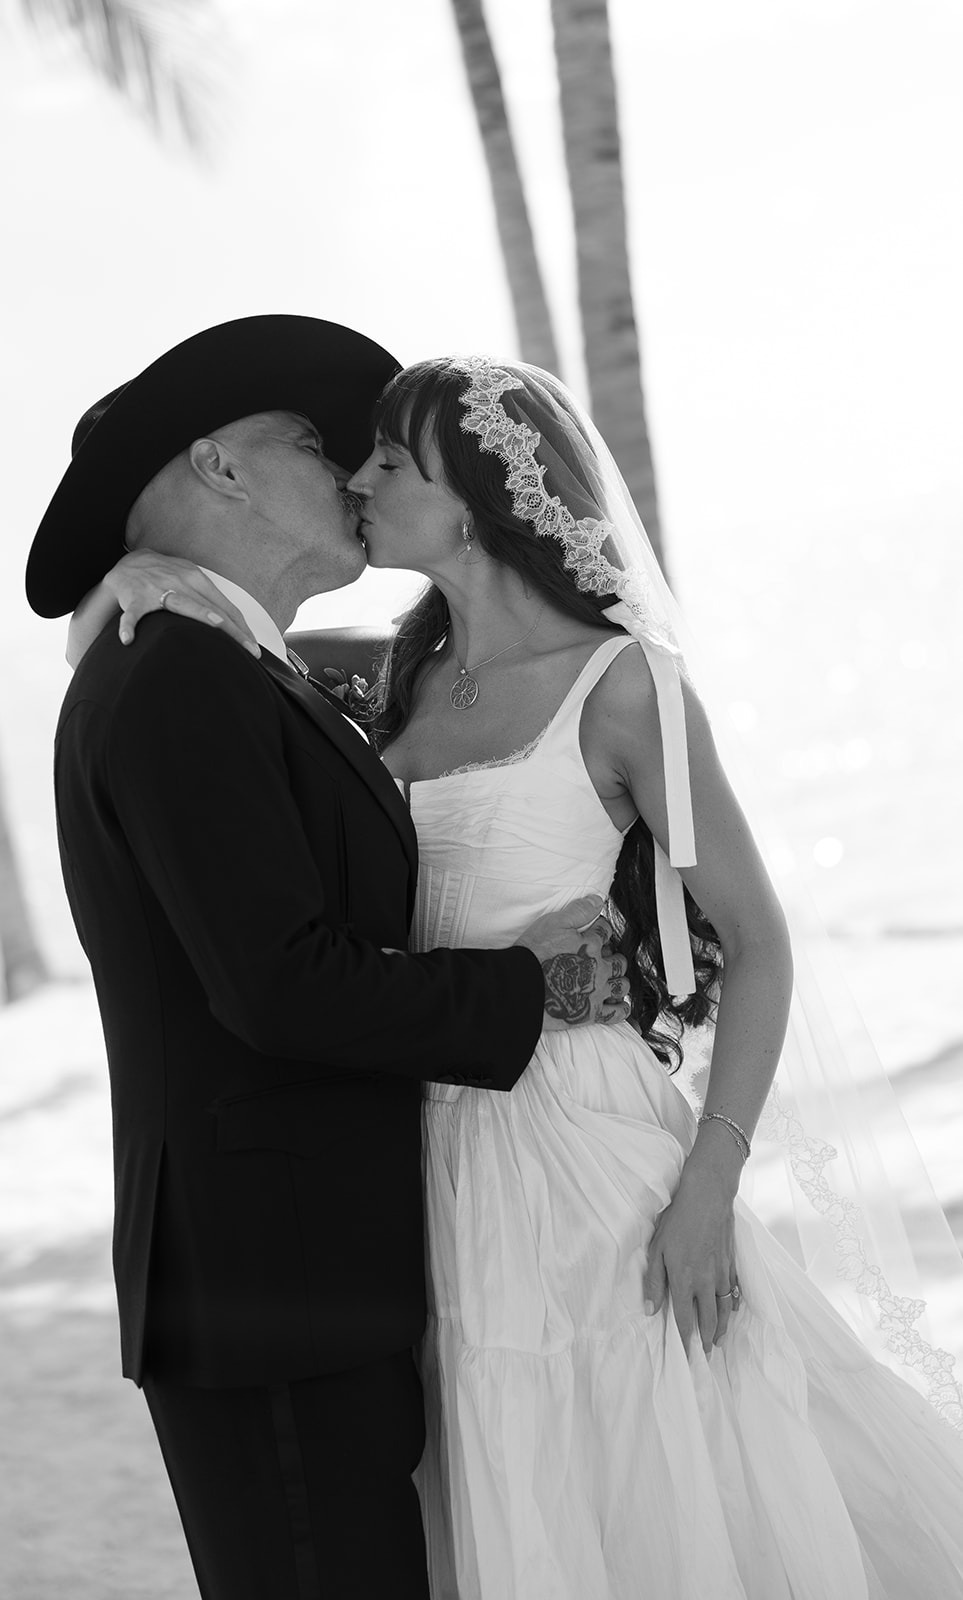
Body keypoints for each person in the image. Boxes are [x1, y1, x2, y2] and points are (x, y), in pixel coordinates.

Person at [72, 352, 963, 1598]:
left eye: (390, 461)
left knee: (630, 1475)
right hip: (412, 1155)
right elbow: (202, 680)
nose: (355, 478)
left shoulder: (624, 687)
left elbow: (755, 941)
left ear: (481, 503)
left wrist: (712, 1173)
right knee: (479, 1491)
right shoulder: (371, 673)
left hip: (580, 1150)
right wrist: (122, 574)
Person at [26, 316, 631, 1600]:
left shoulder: (233, 665)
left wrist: (102, 594)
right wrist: (533, 982)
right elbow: (279, 981)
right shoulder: (181, 674)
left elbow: (492, 670)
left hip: (303, 1278)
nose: (357, 472)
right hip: (270, 1291)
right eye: (315, 442)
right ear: (221, 469)